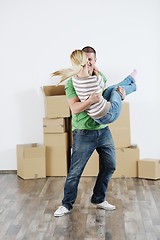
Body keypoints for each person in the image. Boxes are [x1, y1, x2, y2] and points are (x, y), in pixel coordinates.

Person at [52, 46, 127, 217]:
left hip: (103, 130)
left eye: (90, 60)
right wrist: (90, 99)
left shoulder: (100, 77)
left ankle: (98, 199)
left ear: (95, 61)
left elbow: (107, 97)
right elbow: (75, 108)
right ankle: (66, 204)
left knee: (110, 165)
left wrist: (120, 96)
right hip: (83, 133)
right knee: (75, 172)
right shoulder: (72, 82)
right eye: (84, 60)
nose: (87, 63)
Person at [52, 49, 137, 125]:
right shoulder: (93, 79)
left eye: (90, 59)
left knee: (110, 89)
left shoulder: (75, 80)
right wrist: (97, 73)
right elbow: (100, 86)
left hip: (97, 118)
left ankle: (130, 79)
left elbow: (102, 91)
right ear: (86, 62)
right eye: (87, 59)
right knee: (115, 90)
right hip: (108, 114)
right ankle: (133, 86)